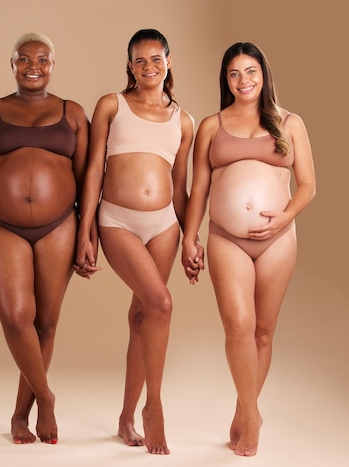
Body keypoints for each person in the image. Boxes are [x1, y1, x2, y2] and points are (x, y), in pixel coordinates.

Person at [181, 42, 315, 456]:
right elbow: (199, 188)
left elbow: (308, 185)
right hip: (225, 237)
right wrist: (190, 236)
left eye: (251, 71)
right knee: (237, 325)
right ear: (226, 79)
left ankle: (244, 410)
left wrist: (285, 215)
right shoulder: (211, 124)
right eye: (235, 73)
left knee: (262, 331)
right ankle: (254, 415)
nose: (244, 80)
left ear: (264, 73)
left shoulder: (290, 122)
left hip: (278, 238)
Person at [76, 29, 194, 455]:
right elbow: (92, 171)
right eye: (139, 61)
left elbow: (181, 188)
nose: (148, 67)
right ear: (130, 66)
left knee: (144, 316)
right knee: (160, 304)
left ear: (168, 61)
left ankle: (126, 417)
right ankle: (153, 408)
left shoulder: (184, 120)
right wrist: (85, 229)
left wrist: (191, 238)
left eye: (156, 59)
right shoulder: (112, 105)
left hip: (164, 226)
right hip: (117, 221)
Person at [0, 32, 89, 444]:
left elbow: (87, 180)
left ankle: (22, 414)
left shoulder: (73, 113)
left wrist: (87, 235)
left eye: (42, 59)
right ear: (12, 64)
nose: (33, 66)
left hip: (60, 224)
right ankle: (47, 398)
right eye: (24, 59)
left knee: (46, 321)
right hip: (3, 224)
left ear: (53, 65)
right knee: (15, 316)